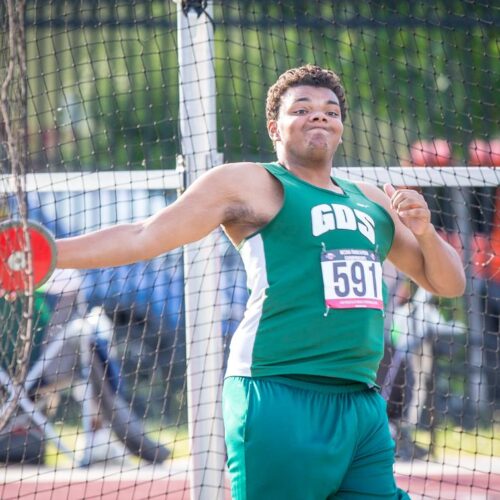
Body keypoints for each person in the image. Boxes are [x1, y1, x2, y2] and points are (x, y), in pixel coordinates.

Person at [3, 65, 465, 499]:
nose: (318, 116)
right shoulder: (249, 184)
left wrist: (424, 232)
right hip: (278, 391)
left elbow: (449, 283)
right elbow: (145, 235)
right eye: (301, 109)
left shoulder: (371, 200)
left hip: (360, 403)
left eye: (329, 111)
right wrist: (52, 254)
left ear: (342, 126)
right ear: (274, 128)